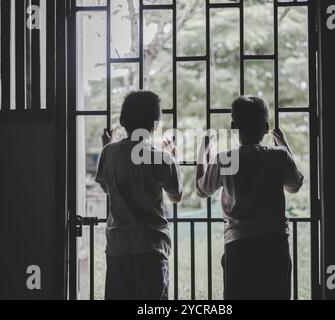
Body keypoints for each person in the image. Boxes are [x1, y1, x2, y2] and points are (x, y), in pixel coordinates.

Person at [195, 96, 304, 300]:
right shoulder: (279, 156)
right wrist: (284, 146)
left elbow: (202, 190)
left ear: (234, 127)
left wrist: (202, 153)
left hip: (239, 244)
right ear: (266, 127)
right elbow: (295, 185)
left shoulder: (224, 159)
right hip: (274, 243)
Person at [96, 91, 182, 300]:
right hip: (151, 245)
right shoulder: (161, 158)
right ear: (155, 125)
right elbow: (176, 196)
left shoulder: (109, 152)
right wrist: (173, 159)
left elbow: (107, 188)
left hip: (118, 245)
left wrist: (108, 144)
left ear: (123, 121)